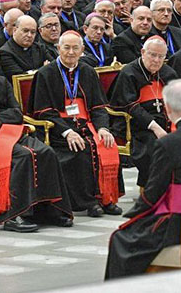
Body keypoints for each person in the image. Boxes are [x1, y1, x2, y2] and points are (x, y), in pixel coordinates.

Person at [105, 79, 181, 279]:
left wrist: (134, 214)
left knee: (120, 239)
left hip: (178, 226)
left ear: (167, 107)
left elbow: (153, 193)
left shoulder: (168, 144)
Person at [0, 41, 72, 231]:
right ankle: (16, 215)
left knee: (47, 152)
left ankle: (49, 210)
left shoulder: (2, 81)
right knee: (24, 155)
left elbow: (17, 113)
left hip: (9, 131)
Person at [30, 31, 122, 217]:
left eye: (75, 48)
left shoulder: (87, 71)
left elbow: (98, 106)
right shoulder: (45, 74)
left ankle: (107, 199)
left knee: (107, 144)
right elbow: (43, 111)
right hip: (58, 128)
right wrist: (66, 132)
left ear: (82, 50)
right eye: (66, 47)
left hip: (86, 123)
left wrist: (103, 128)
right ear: (58, 49)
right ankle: (89, 202)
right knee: (80, 150)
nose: (71, 52)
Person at [108, 36, 178, 187]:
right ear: (142, 52)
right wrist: (155, 127)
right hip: (136, 125)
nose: (156, 60)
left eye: (161, 56)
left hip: (165, 120)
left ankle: (178, 189)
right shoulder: (129, 72)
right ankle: (151, 191)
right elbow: (131, 106)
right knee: (154, 147)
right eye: (152, 55)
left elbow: (176, 100)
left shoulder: (168, 72)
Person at [0, 15, 52, 82]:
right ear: (15, 30)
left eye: (33, 32)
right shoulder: (5, 52)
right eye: (25, 31)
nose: (29, 35)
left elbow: (53, 68)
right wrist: (44, 69)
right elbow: (20, 79)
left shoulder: (40, 48)